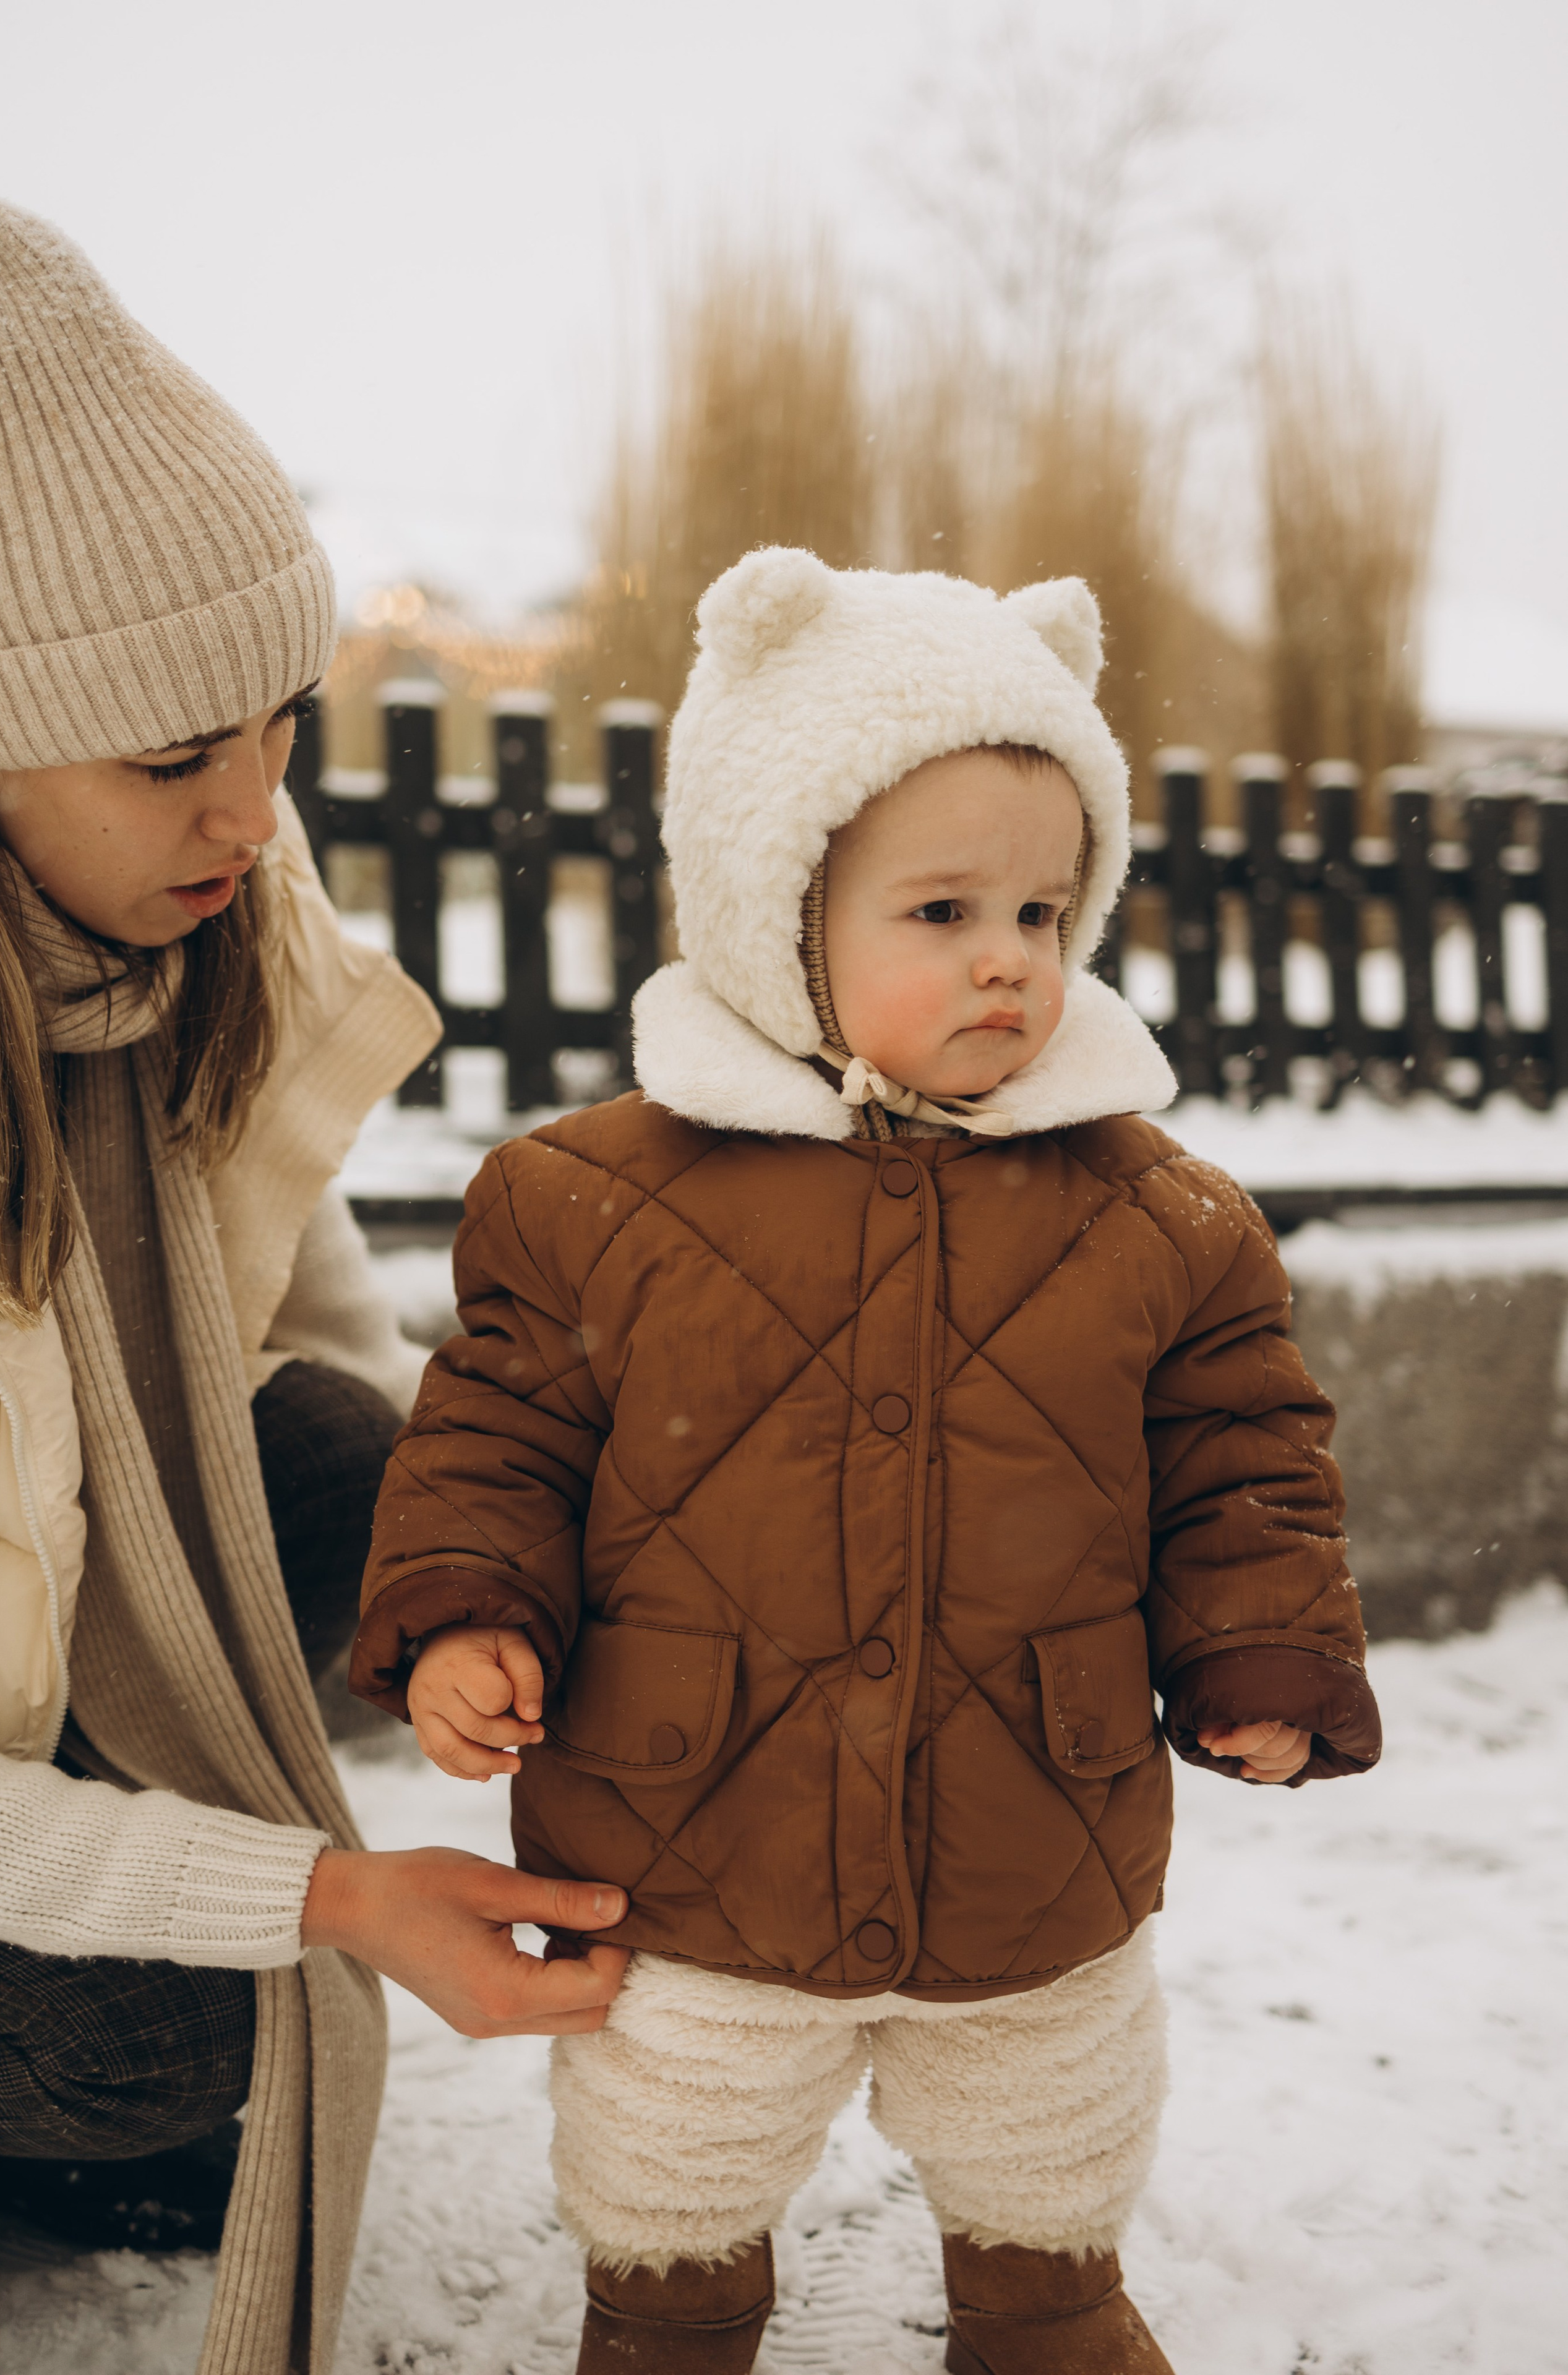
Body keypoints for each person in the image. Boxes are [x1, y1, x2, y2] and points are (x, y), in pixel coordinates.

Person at [351, 547, 1383, 2374]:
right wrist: (462, 1614)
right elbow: (495, 1432)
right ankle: (669, 2325)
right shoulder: (596, 1199)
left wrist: (1259, 1653)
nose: (1010, 957)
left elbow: (1245, 1462)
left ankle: (1047, 2310)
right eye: (941, 911)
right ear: (777, 908)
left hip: (1032, 1824)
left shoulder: (1162, 1222)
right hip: (691, 1825)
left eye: (1048, 913)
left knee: (1047, 2123)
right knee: (673, 2146)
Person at [0, 199, 628, 2370]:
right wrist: (326, 1896)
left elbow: (303, 1320)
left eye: (276, 721)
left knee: (394, 1467)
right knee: (186, 2036)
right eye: (173, 758)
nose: (253, 811)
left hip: (47, 1591)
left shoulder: (194, 925)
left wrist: (458, 1591)